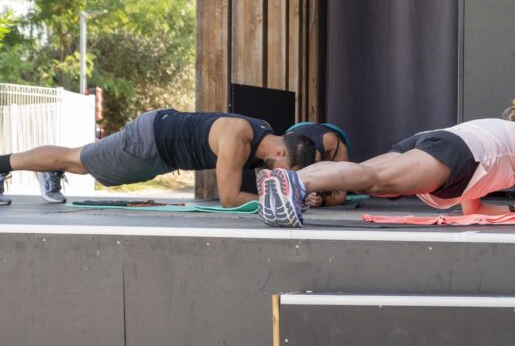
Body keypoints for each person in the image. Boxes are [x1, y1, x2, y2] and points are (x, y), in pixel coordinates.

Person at [257, 99, 515, 227]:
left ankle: (289, 184)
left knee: (368, 175)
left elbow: (471, 209)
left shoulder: (499, 135)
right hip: (454, 153)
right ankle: (296, 182)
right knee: (374, 179)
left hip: (439, 142)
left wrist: (510, 209)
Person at [0, 109, 316, 208]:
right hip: (150, 141)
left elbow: (262, 188)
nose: (281, 176)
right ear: (279, 152)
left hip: (160, 147)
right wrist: (280, 202)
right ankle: (4, 165)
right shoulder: (239, 139)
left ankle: (49, 170)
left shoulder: (265, 133)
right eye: (286, 171)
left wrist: (303, 196)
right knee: (77, 160)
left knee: (80, 162)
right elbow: (230, 199)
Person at [285, 121, 351, 207]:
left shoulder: (336, 148)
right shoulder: (286, 148)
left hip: (333, 132)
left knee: (337, 181)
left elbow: (340, 197)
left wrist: (323, 200)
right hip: (295, 129)